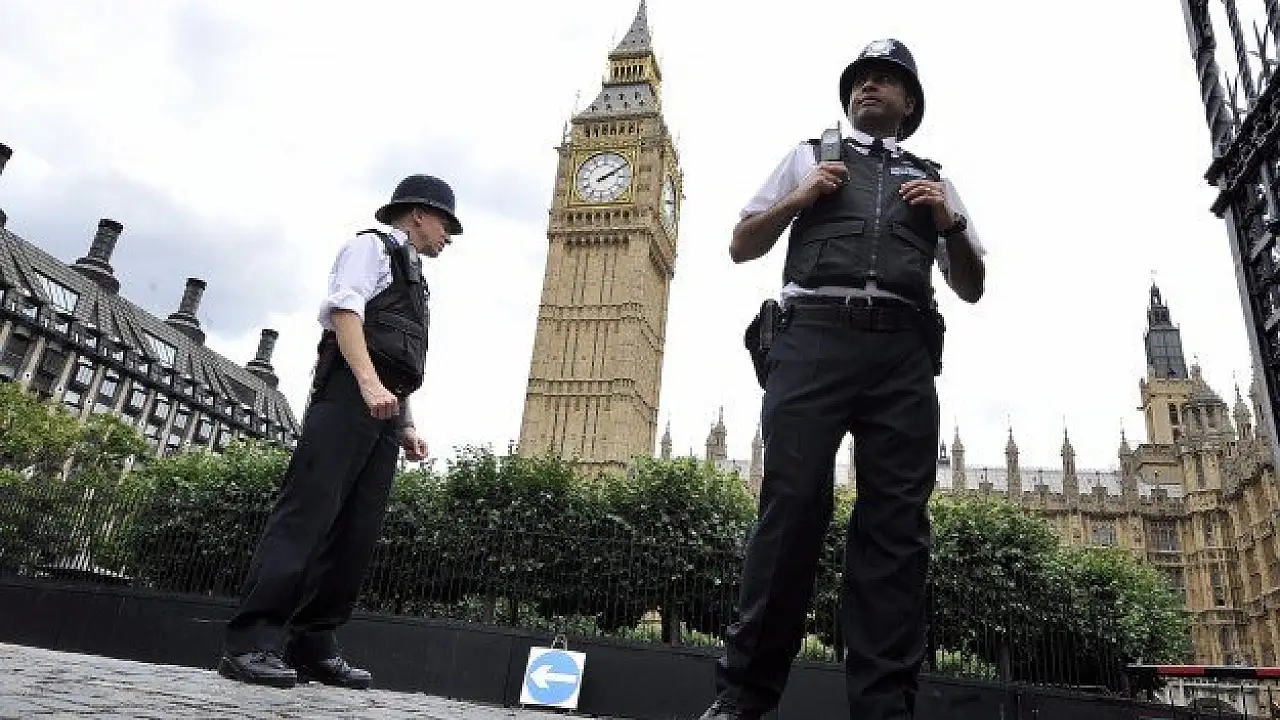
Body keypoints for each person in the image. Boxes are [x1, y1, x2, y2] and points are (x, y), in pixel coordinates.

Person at [699, 39, 986, 720]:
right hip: (814, 339)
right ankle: (742, 698)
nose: (868, 88)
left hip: (903, 353)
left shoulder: (936, 181)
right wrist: (799, 198)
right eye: (860, 80)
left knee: (896, 531)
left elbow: (972, 285)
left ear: (909, 103)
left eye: (885, 80)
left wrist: (951, 223)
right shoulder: (808, 155)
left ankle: (885, 709)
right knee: (791, 509)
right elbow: (742, 243)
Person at [217, 174, 462, 690]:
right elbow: (346, 313)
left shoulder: (416, 277)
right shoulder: (370, 247)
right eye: (446, 224)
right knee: (306, 516)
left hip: (383, 406)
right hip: (347, 394)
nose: (449, 236)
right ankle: (253, 639)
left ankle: (313, 641)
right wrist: (369, 386)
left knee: (356, 530)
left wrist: (405, 422)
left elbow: (397, 358)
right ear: (418, 215)